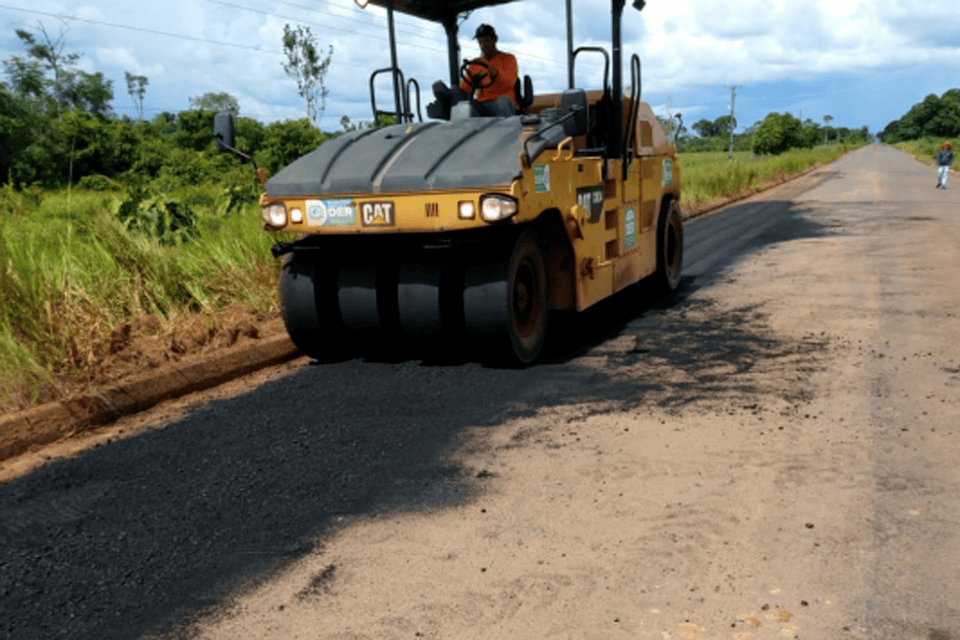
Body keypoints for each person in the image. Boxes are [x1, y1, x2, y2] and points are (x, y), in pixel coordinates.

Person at [432, 24, 518, 118]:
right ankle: (445, 104)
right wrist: (452, 94)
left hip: (500, 105)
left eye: (486, 41)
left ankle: (503, 128)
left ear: (495, 39)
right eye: (480, 42)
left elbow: (510, 82)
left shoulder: (508, 59)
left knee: (504, 101)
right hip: (482, 106)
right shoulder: (475, 63)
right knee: (459, 96)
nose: (483, 45)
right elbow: (464, 88)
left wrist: (496, 75)